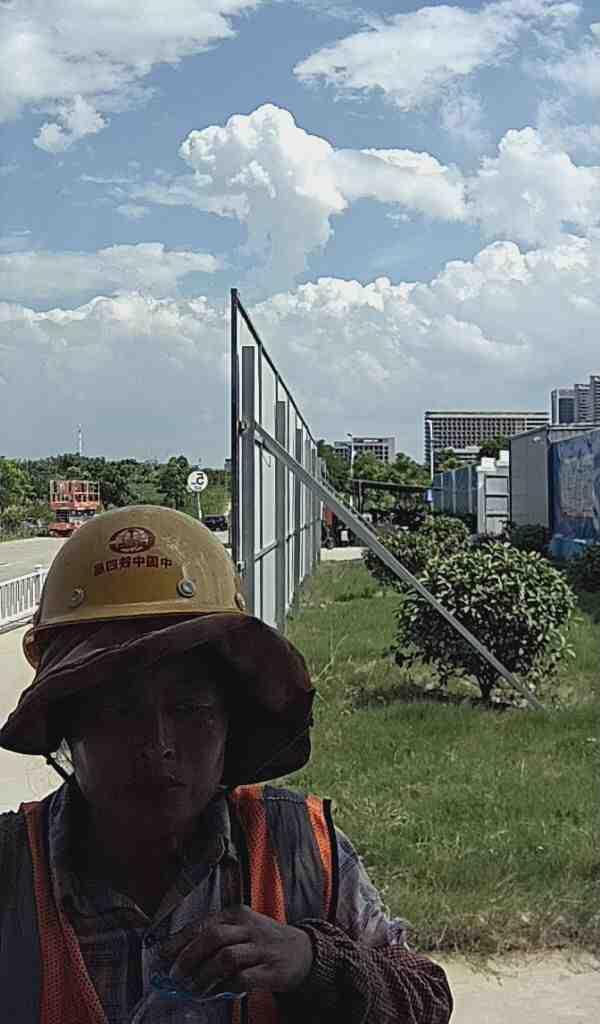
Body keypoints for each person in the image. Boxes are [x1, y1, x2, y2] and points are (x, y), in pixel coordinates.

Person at [0, 506, 452, 1023]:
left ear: (230, 722)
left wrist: (312, 963)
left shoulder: (300, 850)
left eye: (189, 708)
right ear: (66, 725)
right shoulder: (10, 870)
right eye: (118, 711)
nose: (157, 745)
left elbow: (427, 1001)